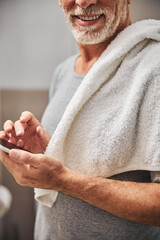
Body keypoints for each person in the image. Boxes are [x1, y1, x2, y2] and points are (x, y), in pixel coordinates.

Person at [0, 0, 160, 239]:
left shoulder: (154, 69)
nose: (84, 2)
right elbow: (72, 159)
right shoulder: (64, 72)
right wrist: (44, 153)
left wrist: (62, 180)